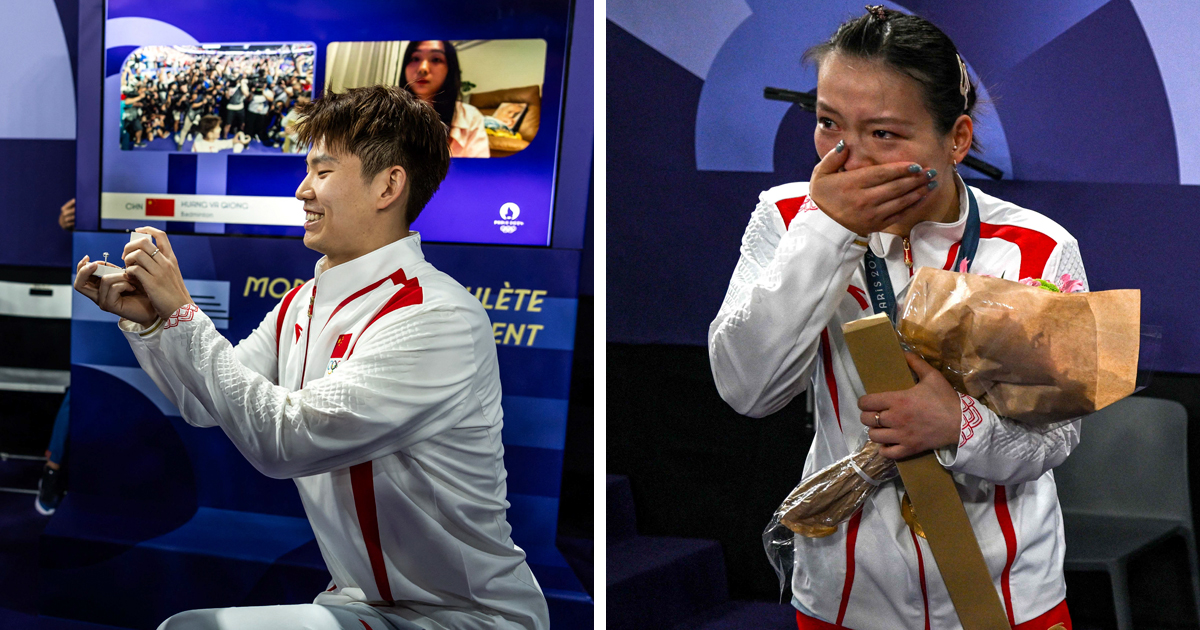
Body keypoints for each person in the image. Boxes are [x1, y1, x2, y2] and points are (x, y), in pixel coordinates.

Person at [73, 85, 549, 630]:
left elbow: (285, 443)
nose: (302, 190)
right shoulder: (305, 300)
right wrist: (154, 323)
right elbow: (203, 404)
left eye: (322, 172)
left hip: (469, 618)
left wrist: (183, 313)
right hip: (361, 604)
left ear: (389, 185)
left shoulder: (437, 317)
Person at [708, 7, 1083, 629]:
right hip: (842, 597)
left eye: (884, 133)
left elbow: (1056, 439)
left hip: (1010, 599)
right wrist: (827, 233)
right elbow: (748, 390)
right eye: (828, 123)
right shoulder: (786, 220)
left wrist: (959, 427)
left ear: (957, 138)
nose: (848, 159)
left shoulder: (1035, 247)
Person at [402, 40, 489, 158]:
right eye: (415, 58)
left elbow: (478, 173)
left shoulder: (470, 118)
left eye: (436, 59)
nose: (423, 68)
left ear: (450, 68)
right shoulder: (387, 113)